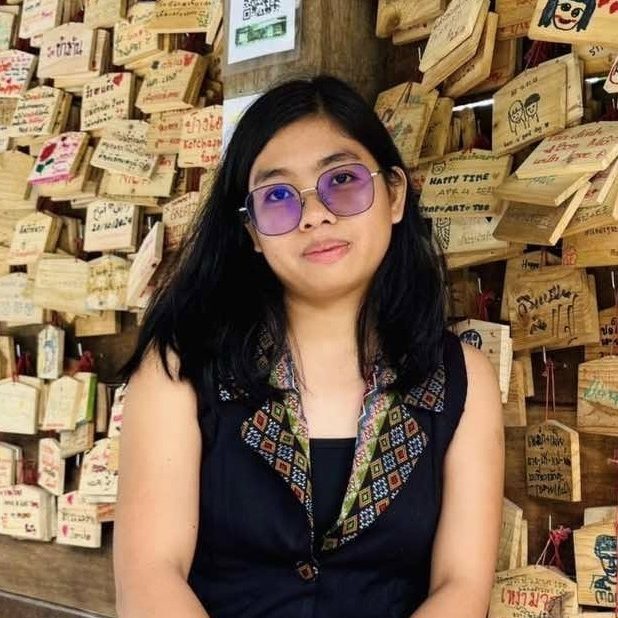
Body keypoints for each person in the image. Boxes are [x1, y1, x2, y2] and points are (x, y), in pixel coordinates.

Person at [112, 75, 505, 618]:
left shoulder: (461, 379)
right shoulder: (181, 368)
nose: (315, 214)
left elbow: (461, 587)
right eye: (277, 196)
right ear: (252, 231)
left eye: (341, 180)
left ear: (394, 195)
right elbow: (150, 576)